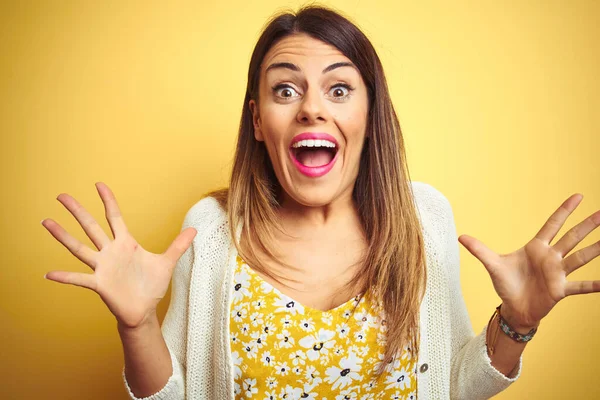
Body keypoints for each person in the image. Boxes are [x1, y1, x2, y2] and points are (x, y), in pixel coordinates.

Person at [41, 5, 600, 400]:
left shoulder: (422, 220)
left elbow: (452, 389)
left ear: (368, 113)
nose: (311, 108)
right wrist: (136, 327)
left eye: (338, 89)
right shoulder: (210, 232)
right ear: (259, 120)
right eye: (286, 89)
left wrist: (517, 323)